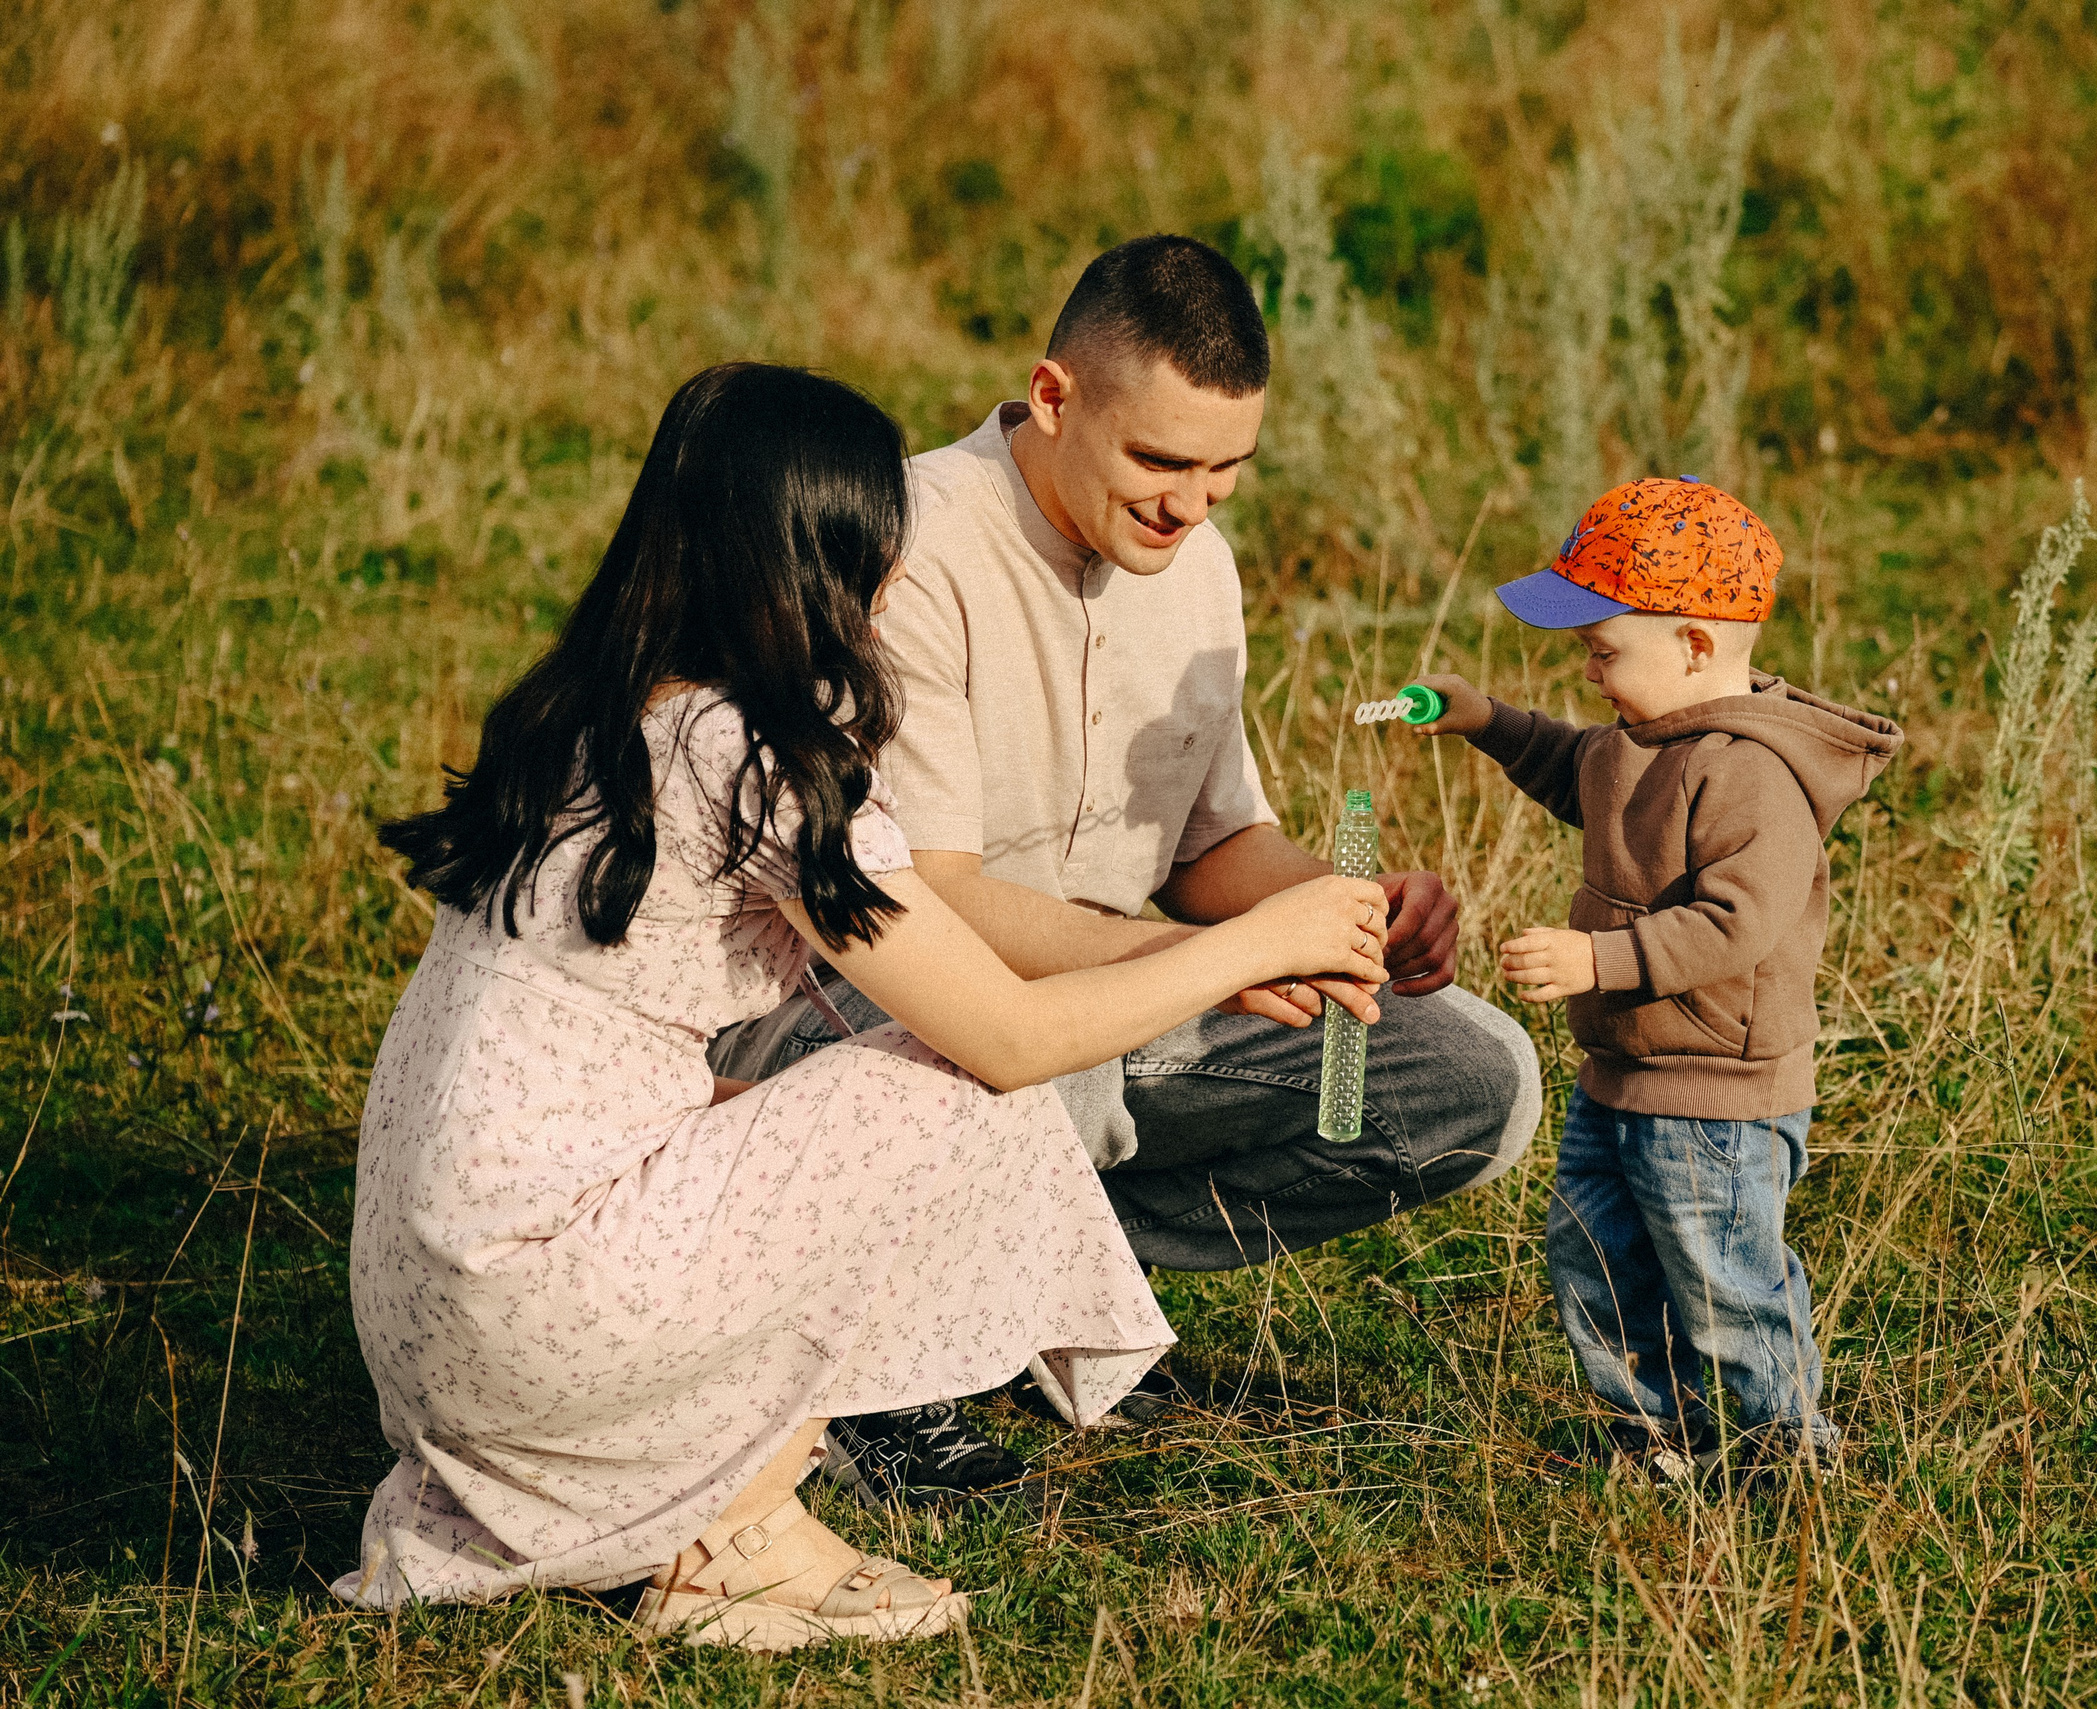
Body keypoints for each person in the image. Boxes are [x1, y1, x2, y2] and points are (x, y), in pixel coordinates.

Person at [335, 362, 1392, 1651]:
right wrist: (1248, 944)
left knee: (851, 1096)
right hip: (540, 1294)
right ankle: (739, 1533)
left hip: (433, 1305)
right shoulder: (753, 757)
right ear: (818, 563)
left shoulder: (597, 707)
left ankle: (680, 1489)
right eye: (878, 552)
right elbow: (1005, 1035)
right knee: (942, 1089)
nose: (893, 584)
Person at [710, 235, 1541, 1503]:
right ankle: (881, 1361)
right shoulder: (908, 542)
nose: (1189, 502)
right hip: (891, 1011)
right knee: (1051, 1046)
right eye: (1159, 460)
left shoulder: (1197, 564)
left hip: (1111, 1011)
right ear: (1052, 397)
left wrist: (1342, 909)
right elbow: (927, 896)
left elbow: (1211, 849)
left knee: (1471, 1075)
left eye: (1225, 472)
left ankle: (1040, 1294)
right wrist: (1219, 958)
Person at [1396, 477, 1903, 1479]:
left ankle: (1779, 1452)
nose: (1588, 668)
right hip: (1620, 1069)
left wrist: (1599, 959)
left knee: (1722, 1274)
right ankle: (1654, 1431)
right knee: (1597, 1256)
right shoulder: (1645, 740)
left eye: (1602, 645)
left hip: (1716, 1090)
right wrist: (1485, 718)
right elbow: (1579, 767)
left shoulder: (1750, 773)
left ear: (1696, 645)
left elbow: (1737, 923)